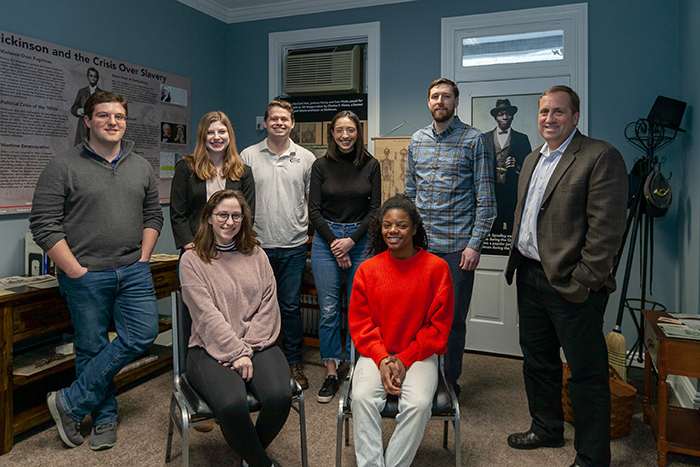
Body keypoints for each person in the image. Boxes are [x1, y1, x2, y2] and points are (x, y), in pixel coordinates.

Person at [29, 90, 163, 451]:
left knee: (143, 333)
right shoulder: (63, 166)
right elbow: (43, 224)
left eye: (119, 116)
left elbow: (153, 215)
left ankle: (70, 402)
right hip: (86, 274)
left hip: (133, 269)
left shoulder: (141, 166)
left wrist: (144, 256)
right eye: (103, 116)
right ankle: (104, 418)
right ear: (87, 121)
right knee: (91, 347)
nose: (112, 122)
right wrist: (75, 271)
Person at [504, 85, 627, 467]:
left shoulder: (599, 156)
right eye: (544, 112)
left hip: (573, 284)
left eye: (559, 112)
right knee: (538, 360)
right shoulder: (530, 160)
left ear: (575, 117)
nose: (550, 119)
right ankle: (546, 428)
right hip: (530, 275)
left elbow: (606, 230)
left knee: (586, 374)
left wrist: (586, 279)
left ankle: (592, 456)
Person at [180, 189, 289, 467]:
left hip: (258, 342)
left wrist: (248, 348)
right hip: (208, 347)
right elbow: (205, 315)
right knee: (231, 405)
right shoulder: (192, 260)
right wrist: (236, 352)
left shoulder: (258, 254)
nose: (230, 222)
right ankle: (261, 463)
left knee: (279, 397)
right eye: (223, 215)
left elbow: (268, 306)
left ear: (244, 219)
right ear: (209, 219)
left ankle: (249, 457)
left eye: (236, 216)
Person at [405, 78, 496, 395]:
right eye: (434, 96)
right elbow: (410, 195)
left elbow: (486, 201)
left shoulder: (475, 141)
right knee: (418, 319)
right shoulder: (416, 140)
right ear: (428, 102)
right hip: (420, 250)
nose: (439, 101)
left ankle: (447, 383)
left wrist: (475, 245)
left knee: (452, 322)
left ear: (456, 101)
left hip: (458, 251)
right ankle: (421, 380)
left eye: (446, 96)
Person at [349, 194, 454, 467]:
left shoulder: (437, 269)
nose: (392, 231)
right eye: (387, 225)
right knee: (360, 397)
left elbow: (438, 327)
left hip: (419, 355)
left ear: (415, 228)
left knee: (419, 404)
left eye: (401, 225)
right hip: (377, 352)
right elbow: (361, 324)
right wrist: (383, 359)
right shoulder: (367, 270)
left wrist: (404, 359)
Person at [240, 100, 316, 390]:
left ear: (292, 123)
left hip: (293, 244)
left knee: (290, 306)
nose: (279, 123)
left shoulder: (306, 158)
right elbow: (239, 200)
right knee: (255, 307)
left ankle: (293, 362)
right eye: (274, 119)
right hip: (256, 246)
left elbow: (310, 202)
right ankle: (257, 361)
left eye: (285, 119)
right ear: (266, 122)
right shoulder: (248, 155)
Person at [308, 110, 381, 403]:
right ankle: (330, 371)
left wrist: (350, 241)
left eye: (350, 130)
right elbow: (313, 210)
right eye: (339, 131)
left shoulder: (371, 165)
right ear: (332, 134)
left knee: (357, 309)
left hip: (361, 240)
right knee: (328, 310)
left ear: (358, 133)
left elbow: (375, 209)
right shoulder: (320, 165)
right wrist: (335, 243)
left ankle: (353, 370)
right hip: (326, 241)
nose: (345, 136)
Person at [170, 111, 255, 251]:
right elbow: (177, 213)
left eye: (222, 131)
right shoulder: (186, 168)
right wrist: (189, 245)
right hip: (195, 247)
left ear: (230, 135)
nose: (216, 137)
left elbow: (248, 214)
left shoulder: (243, 172)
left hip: (232, 248)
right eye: (210, 132)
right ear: (202, 136)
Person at [484, 98, 532, 235]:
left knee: (514, 232)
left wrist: (518, 168)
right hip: (492, 196)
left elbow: (530, 170)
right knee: (493, 233)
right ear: (495, 117)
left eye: (508, 114)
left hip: (513, 195)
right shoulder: (485, 138)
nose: (505, 117)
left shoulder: (522, 139)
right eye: (500, 114)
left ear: (512, 116)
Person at [70, 67, 101, 146]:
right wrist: (79, 110)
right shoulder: (82, 92)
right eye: (91, 76)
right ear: (88, 77)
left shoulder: (102, 94)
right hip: (82, 128)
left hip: (97, 127)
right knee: (80, 152)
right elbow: (73, 108)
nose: (93, 78)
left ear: (97, 78)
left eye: (95, 76)